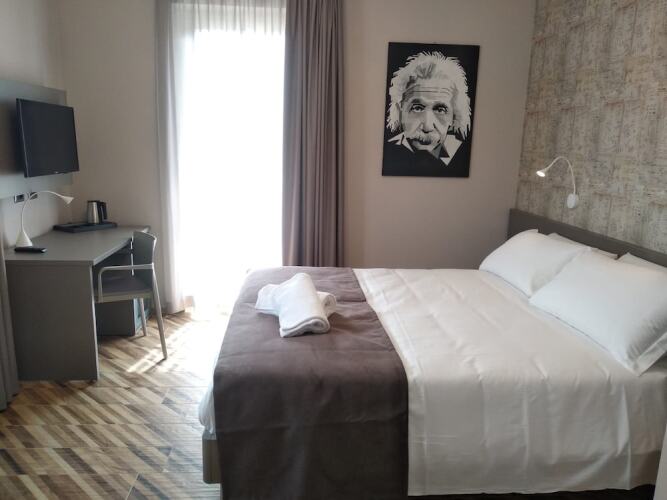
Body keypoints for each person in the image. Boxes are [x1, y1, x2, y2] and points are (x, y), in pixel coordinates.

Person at [383, 51, 471, 176]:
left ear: (454, 116)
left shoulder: (460, 157)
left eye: (440, 110)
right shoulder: (388, 151)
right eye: (417, 108)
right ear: (399, 111)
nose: (427, 127)